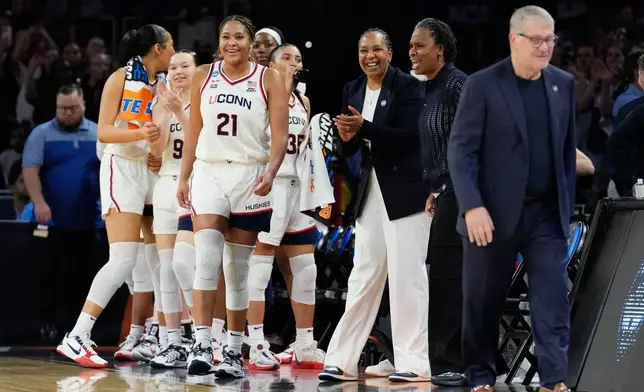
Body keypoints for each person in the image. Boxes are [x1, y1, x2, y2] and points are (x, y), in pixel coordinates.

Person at [447, 6, 575, 392]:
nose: (544, 47)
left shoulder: (563, 83)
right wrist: (472, 206)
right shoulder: (483, 84)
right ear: (513, 39)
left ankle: (554, 378)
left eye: (550, 39)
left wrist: (564, 207)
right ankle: (481, 375)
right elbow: (461, 150)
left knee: (552, 296)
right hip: (491, 214)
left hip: (545, 213)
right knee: (482, 301)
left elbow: (565, 150)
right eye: (535, 39)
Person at [56, 24, 174, 368]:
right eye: (170, 47)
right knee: (122, 259)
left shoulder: (160, 85)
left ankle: (157, 336)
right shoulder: (119, 79)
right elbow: (105, 130)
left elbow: (158, 132)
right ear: (157, 48)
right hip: (121, 169)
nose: (172, 52)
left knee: (157, 258)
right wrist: (142, 134)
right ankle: (78, 335)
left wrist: (155, 148)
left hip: (150, 172)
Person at [177, 14, 289, 378]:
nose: (232, 43)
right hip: (210, 170)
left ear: (250, 41)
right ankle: (202, 342)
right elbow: (193, 129)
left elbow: (280, 135)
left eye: (239, 37)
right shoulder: (203, 75)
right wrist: (184, 175)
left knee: (237, 269)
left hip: (250, 173)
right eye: (226, 36)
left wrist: (270, 173)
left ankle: (233, 349)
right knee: (206, 257)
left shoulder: (267, 78)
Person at [318, 28, 430, 383]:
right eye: (364, 50)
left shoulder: (409, 87)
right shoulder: (353, 88)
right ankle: (343, 360)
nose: (370, 56)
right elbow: (351, 148)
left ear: (390, 53)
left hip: (406, 194)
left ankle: (414, 361)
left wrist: (364, 128)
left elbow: (412, 138)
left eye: (377, 49)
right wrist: (348, 138)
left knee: (407, 278)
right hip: (370, 194)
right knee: (364, 274)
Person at [246, 43, 325, 371]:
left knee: (306, 269)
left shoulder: (303, 101)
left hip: (296, 190)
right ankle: (254, 343)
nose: (294, 63)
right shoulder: (260, 97)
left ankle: (305, 344)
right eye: (287, 58)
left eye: (298, 59)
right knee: (260, 267)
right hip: (270, 186)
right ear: (272, 66)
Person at [411, 17, 467, 387]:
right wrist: (435, 188)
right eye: (411, 46)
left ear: (441, 49)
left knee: (449, 278)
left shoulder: (458, 85)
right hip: (446, 191)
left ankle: (450, 362)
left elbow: (479, 136)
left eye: (420, 46)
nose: (412, 52)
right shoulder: (427, 89)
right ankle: (450, 359)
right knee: (445, 276)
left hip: (467, 191)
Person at [21, 84, 101, 341]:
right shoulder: (41, 134)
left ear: (84, 105)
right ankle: (46, 326)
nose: (67, 113)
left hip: (89, 221)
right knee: (47, 276)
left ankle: (80, 331)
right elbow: (30, 171)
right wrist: (39, 202)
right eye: (62, 108)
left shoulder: (98, 133)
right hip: (51, 221)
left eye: (73, 108)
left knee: (83, 278)